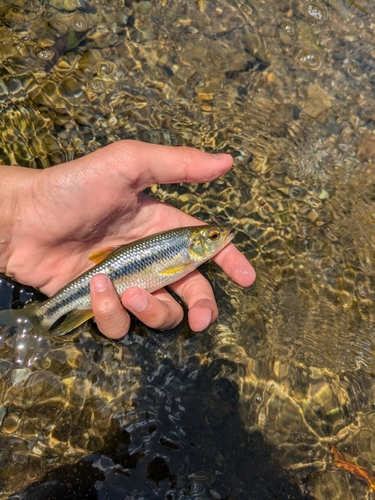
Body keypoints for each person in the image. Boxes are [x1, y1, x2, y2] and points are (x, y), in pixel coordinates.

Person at [0, 140, 256, 339]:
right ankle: (44, 314)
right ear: (195, 244)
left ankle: (45, 315)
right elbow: (170, 270)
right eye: (213, 236)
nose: (219, 236)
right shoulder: (185, 253)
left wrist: (16, 213)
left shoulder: (186, 252)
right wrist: (17, 209)